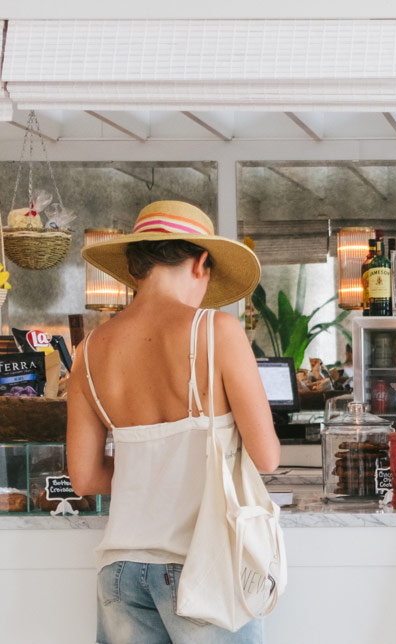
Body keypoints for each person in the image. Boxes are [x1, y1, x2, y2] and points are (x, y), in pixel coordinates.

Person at [67, 201, 280, 644]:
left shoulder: (89, 352)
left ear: (132, 266)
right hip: (203, 566)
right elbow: (267, 456)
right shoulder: (216, 330)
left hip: (119, 571)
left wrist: (149, 471)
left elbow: (84, 478)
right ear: (202, 261)